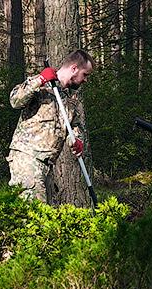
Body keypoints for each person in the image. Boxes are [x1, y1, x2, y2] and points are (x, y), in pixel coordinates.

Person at [6, 49, 94, 204]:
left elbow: (74, 126)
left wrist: (76, 140)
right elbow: (15, 100)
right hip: (27, 159)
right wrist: (39, 80)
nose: (86, 80)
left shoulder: (69, 99)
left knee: (46, 216)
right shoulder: (42, 84)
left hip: (47, 165)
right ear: (74, 69)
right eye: (85, 74)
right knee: (32, 215)